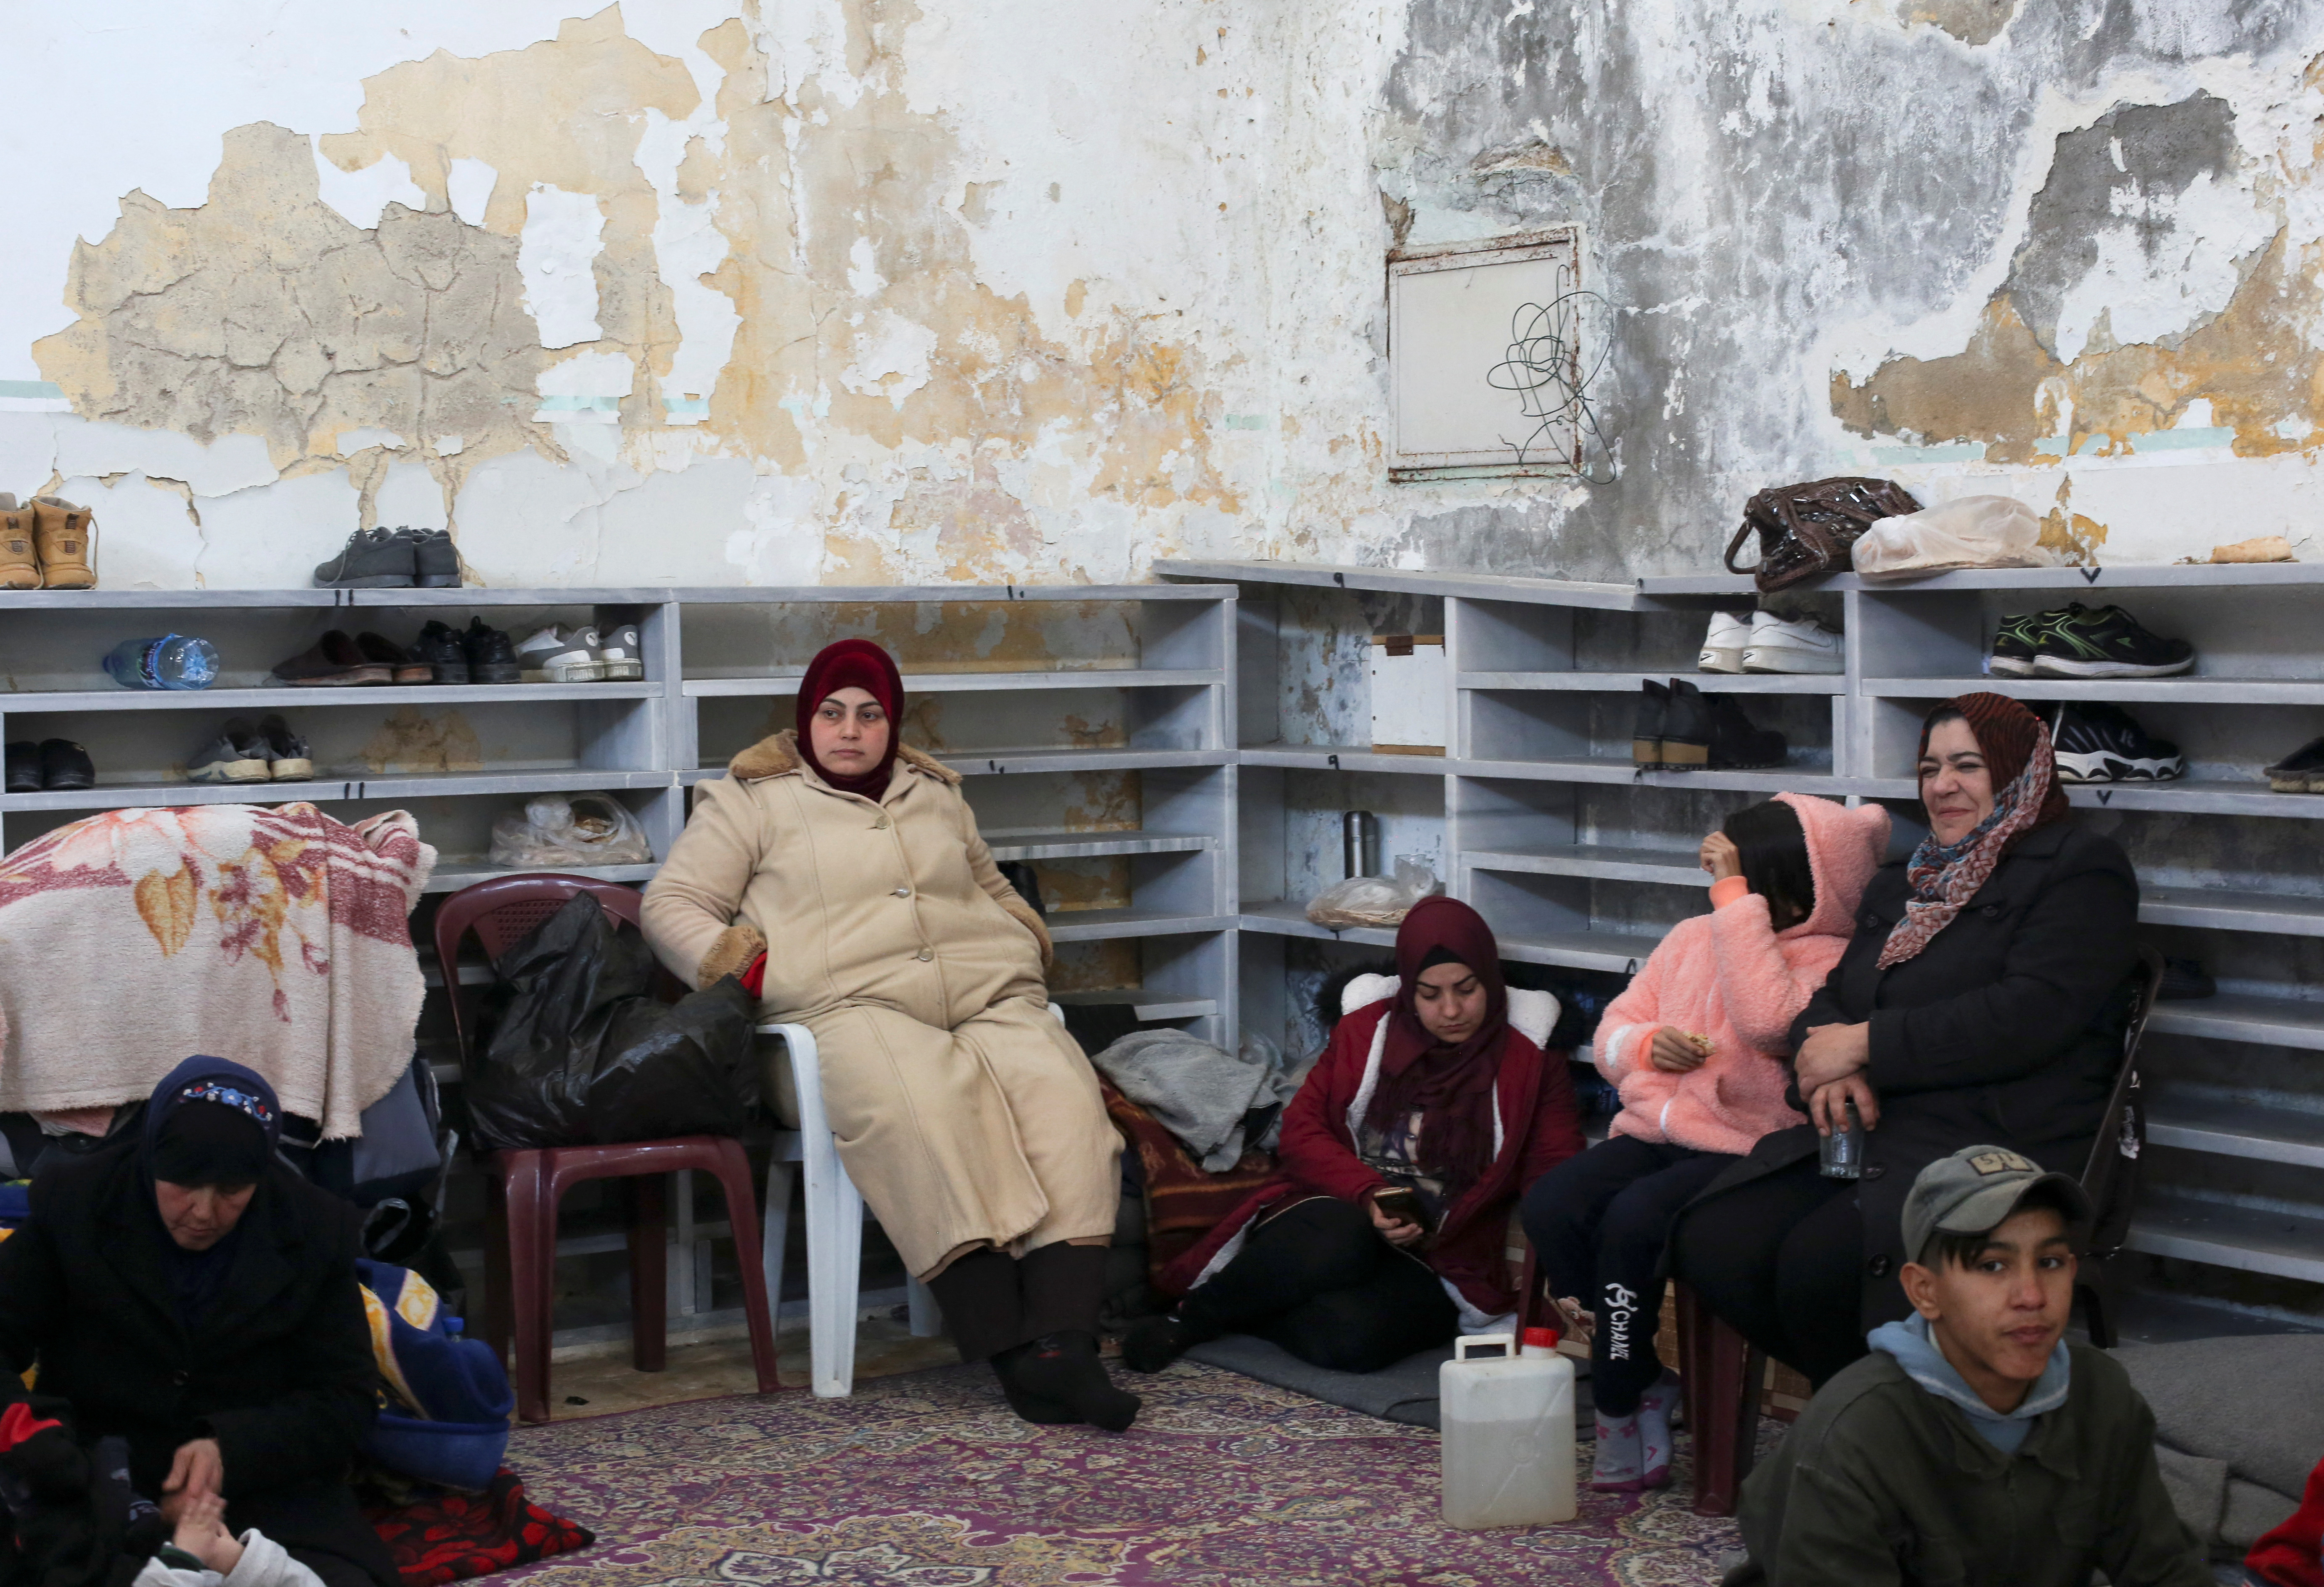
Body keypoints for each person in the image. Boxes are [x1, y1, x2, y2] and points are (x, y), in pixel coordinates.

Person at [641, 639, 1134, 1429]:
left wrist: (1021, 936)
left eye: (870, 715)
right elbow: (671, 903)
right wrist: (742, 964)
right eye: (831, 713)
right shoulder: (750, 799)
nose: (850, 730)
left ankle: (1066, 1343)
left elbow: (991, 882)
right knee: (922, 1104)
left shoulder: (935, 792)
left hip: (986, 995)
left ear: (891, 723)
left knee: (1069, 1104)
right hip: (843, 1010)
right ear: (806, 721)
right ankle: (1012, 1351)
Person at [1671, 692, 2139, 1386]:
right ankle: (1873, 1407)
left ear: (2018, 770)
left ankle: (1880, 1432)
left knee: (1818, 1262)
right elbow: (1833, 994)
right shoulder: (1909, 878)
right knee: (1716, 1236)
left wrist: (1865, 1045)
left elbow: (2029, 1014)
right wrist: (1825, 1062)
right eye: (1929, 767)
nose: (1942, 784)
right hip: (1880, 1127)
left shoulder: (2080, 869)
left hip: (2002, 1138)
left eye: (1968, 765)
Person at [1520, 793, 1887, 1490]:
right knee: (1553, 1202)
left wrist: (1732, 904)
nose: (1735, 890)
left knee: (1632, 1223)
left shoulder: (1833, 960)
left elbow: (1767, 1021)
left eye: (1749, 877)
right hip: (1657, 1128)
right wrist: (1644, 1045)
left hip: (1747, 1149)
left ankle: (1617, 1401)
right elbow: (1611, 1034)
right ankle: (1641, 1375)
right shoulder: (1693, 936)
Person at [1119, 897, 1583, 1375]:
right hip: (1337, 1214)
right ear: (1408, 989)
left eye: (1467, 989)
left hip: (1438, 1256)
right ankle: (1191, 1320)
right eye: (1430, 994)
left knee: (1351, 1339)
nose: (1451, 1010)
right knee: (1344, 1237)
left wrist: (1558, 1276)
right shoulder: (1368, 1028)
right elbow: (1303, 1129)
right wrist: (1369, 1194)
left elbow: (1556, 1166)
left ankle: (1258, 1304)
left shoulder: (1533, 1058)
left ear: (1490, 976)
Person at [1724, 1145, 2210, 1587]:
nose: (2032, 1297)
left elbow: (2165, 1570)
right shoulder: (1852, 1436)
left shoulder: (2102, 1396)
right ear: (1924, 1291)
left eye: (2051, 1261)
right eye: (1992, 1266)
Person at [0, 1057, 397, 1587]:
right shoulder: (77, 1203)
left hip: (258, 1490)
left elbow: (346, 1398)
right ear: (152, 1155)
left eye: (233, 1190)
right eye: (183, 1182)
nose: (204, 1211)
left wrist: (227, 1446)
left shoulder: (313, 1229)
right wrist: (43, 1441)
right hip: (99, 1476)